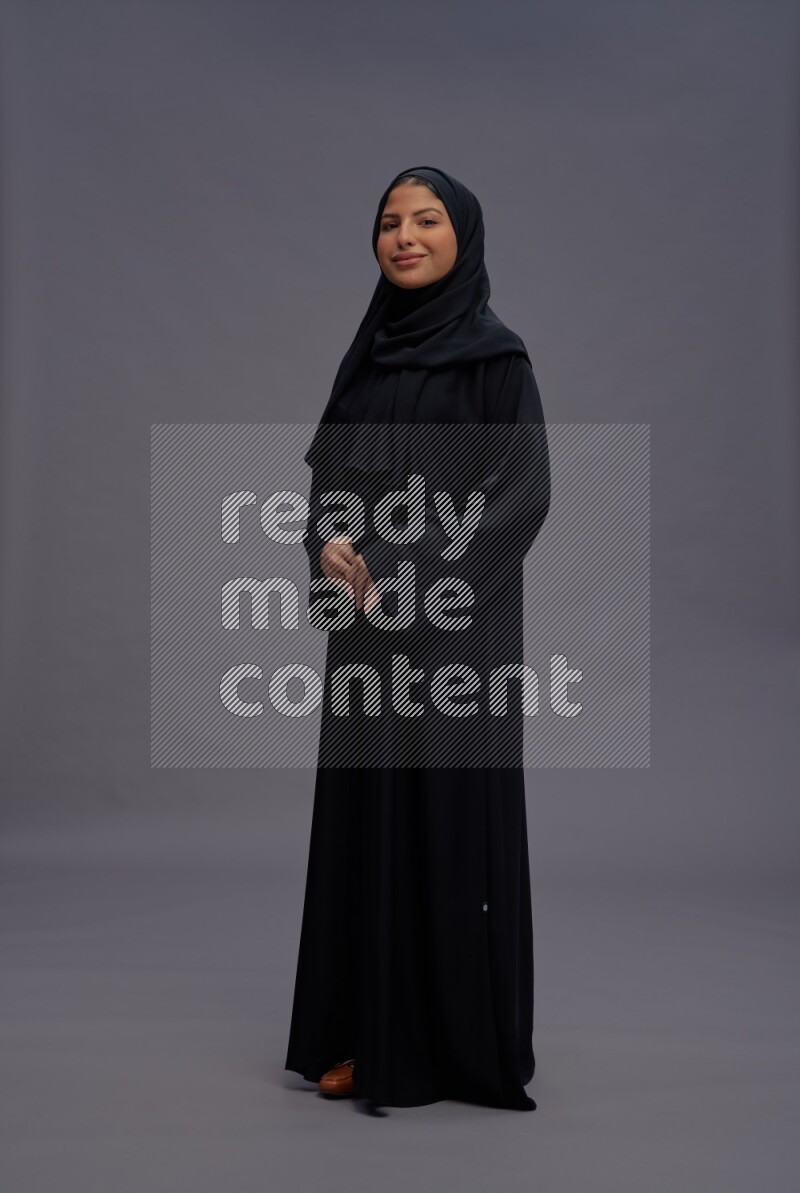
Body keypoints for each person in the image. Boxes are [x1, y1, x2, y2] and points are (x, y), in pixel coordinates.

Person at [284, 165, 551, 1111]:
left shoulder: (497, 360)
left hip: (456, 643)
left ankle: (451, 1047)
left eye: (426, 219)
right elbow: (327, 486)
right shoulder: (366, 361)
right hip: (365, 643)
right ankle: (368, 1033)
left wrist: (416, 581)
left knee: (445, 826)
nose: (404, 236)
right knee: (370, 824)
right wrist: (330, 547)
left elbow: (519, 498)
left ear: (462, 235)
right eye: (389, 222)